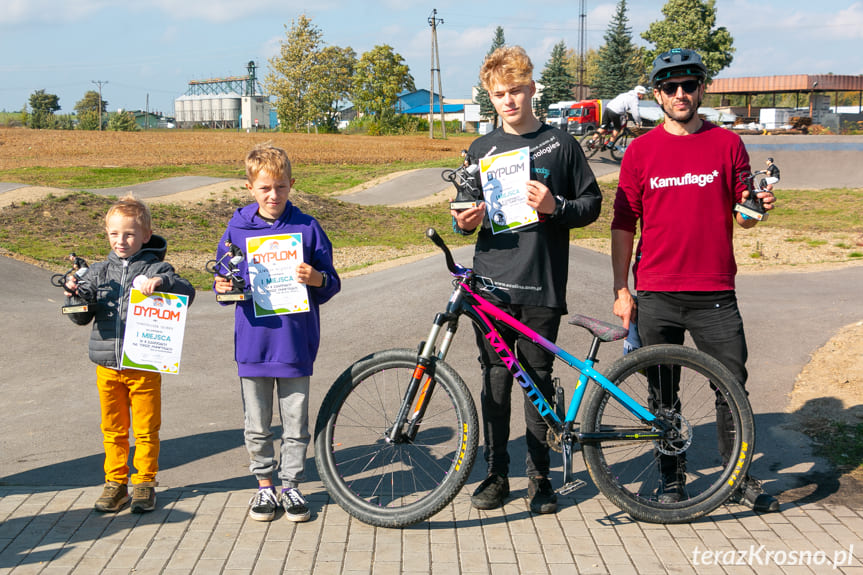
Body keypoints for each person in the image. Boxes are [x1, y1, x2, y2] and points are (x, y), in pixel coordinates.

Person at [610, 48, 779, 512]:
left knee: (731, 388)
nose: (680, 94)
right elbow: (623, 223)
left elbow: (743, 216)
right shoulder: (641, 150)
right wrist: (622, 290)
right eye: (670, 87)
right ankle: (672, 480)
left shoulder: (727, 145)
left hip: (715, 293)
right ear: (658, 95)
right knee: (662, 395)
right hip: (657, 292)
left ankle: (736, 476)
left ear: (701, 88)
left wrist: (756, 209)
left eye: (689, 85)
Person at [451, 45, 602, 514]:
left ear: (532, 88)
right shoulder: (480, 149)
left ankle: (541, 478)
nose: (509, 101)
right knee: (495, 380)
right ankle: (497, 475)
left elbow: (592, 205)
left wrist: (555, 207)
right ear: (490, 98)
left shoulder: (562, 145)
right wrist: (466, 221)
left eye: (516, 90)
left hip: (542, 283)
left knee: (536, 381)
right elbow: (461, 215)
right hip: (490, 285)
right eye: (499, 94)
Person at [214, 144, 341, 523]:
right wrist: (222, 289)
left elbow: (331, 283)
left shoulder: (307, 227)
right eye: (266, 188)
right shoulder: (237, 228)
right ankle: (265, 487)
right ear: (250, 187)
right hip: (253, 342)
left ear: (292, 185)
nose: (274, 196)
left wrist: (316, 278)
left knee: (295, 422)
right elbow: (224, 280)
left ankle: (292, 486)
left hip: (295, 342)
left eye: (281, 187)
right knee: (257, 423)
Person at [64, 194, 196, 513]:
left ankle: (145, 483)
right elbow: (80, 316)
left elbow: (186, 292)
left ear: (145, 236)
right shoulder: (97, 272)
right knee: (113, 428)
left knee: (146, 428)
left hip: (144, 364)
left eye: (129, 234)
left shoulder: (157, 267)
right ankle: (115, 483)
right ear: (106, 234)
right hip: (107, 365)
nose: (121, 241)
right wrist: (74, 295)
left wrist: (162, 282)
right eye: (114, 234)